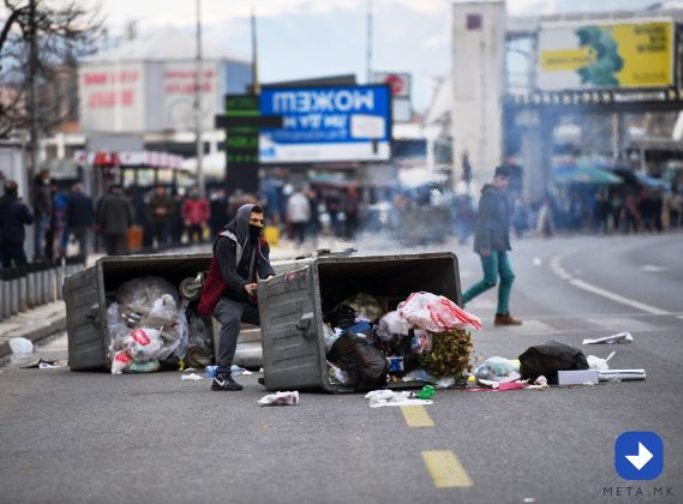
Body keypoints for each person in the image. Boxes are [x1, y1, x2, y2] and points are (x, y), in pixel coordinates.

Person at [198, 204, 275, 391]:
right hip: (222, 297)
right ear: (242, 220)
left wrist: (271, 279)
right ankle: (222, 376)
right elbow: (228, 273)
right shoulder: (226, 241)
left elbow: (264, 267)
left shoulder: (261, 243)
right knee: (231, 320)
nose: (258, 225)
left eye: (260, 221)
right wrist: (245, 285)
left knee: (274, 317)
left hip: (246, 299)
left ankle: (277, 372)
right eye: (253, 221)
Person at [461, 165, 522, 326]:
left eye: (507, 180)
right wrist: (484, 245)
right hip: (488, 244)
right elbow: (483, 222)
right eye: (502, 179)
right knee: (490, 280)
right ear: (495, 178)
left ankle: (502, 314)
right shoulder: (489, 195)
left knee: (508, 276)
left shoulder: (503, 196)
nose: (505, 182)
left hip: (500, 244)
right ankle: (460, 300)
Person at [0, 180, 34, 267]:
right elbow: (29, 220)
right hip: (15, 239)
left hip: (2, 239)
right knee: (21, 266)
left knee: (5, 267)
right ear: (16, 190)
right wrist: (24, 206)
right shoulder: (19, 206)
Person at [97, 185, 134, 256]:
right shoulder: (125, 200)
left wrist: (101, 224)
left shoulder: (107, 200)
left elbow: (102, 214)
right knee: (120, 246)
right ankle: (119, 260)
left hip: (109, 228)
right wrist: (130, 224)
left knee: (111, 247)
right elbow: (130, 214)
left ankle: (111, 259)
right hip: (122, 227)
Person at [66, 183, 94, 260]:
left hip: (73, 224)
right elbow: (92, 212)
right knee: (84, 242)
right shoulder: (88, 199)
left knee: (72, 242)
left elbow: (68, 212)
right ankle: (84, 258)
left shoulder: (71, 199)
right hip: (85, 225)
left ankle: (74, 258)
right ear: (82, 190)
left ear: (75, 190)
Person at [32, 169, 52, 261]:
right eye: (47, 174)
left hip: (47, 213)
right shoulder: (38, 186)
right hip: (41, 214)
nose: (48, 176)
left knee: (43, 234)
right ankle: (39, 253)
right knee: (39, 234)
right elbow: (35, 201)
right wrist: (42, 212)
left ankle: (41, 253)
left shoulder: (45, 185)